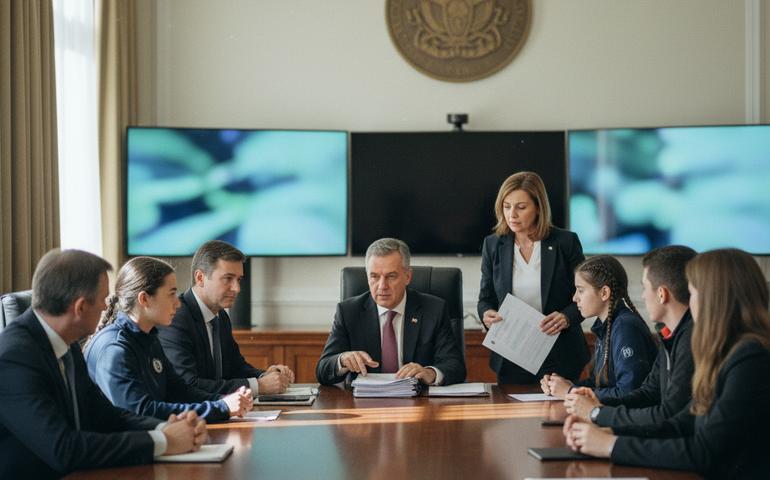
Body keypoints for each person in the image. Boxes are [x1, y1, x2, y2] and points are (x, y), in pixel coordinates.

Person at [564, 249, 770, 479]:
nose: (689, 303)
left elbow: (704, 450)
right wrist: (607, 429)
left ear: (714, 298)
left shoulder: (750, 358)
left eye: (691, 293)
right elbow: (682, 423)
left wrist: (610, 443)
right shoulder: (724, 349)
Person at [0, 250, 207, 480]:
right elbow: (63, 449)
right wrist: (163, 441)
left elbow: (104, 414)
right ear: (80, 307)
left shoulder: (64, 344)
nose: (106, 308)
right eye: (102, 300)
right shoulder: (13, 358)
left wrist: (164, 428)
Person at [85, 257, 253, 423]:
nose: (177, 303)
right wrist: (221, 407)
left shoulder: (150, 339)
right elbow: (141, 411)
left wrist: (224, 400)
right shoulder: (115, 349)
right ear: (144, 299)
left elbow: (179, 391)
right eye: (171, 294)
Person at [564, 246, 697, 428]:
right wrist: (581, 396)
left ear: (661, 294)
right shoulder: (669, 334)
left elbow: (664, 412)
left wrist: (580, 399)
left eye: (644, 288)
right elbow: (648, 392)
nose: (642, 296)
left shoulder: (628, 327)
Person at [478, 171, 590, 384]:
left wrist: (567, 317)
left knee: (556, 416)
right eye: (506, 206)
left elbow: (586, 295)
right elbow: (486, 299)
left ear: (538, 208)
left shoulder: (565, 243)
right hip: (512, 353)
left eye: (521, 207)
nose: (512, 214)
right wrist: (487, 314)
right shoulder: (493, 245)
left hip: (560, 353)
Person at [316, 238, 466, 386]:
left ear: (407, 276)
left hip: (419, 403)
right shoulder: (348, 312)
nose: (382, 286)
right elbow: (322, 369)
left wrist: (430, 373)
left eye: (391, 276)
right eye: (375, 276)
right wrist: (342, 360)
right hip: (366, 403)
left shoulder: (434, 310)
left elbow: (455, 366)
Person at [158, 240, 294, 395]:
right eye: (228, 278)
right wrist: (259, 386)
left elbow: (236, 367)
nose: (237, 288)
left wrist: (266, 376)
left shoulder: (221, 316)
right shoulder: (176, 318)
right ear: (200, 278)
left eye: (239, 279)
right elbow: (189, 384)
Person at [541, 255, 658, 400]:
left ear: (604, 293)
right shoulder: (608, 325)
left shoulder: (625, 328)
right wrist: (562, 386)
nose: (575, 298)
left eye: (581, 290)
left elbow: (629, 393)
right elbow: (601, 384)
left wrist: (570, 391)